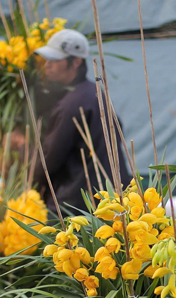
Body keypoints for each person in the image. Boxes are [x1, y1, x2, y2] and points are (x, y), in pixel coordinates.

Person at [29, 28, 131, 213]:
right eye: (47, 60)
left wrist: (22, 149)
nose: (47, 65)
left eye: (54, 60)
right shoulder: (95, 93)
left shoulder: (74, 103)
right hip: (109, 198)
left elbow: (50, 158)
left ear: (76, 62)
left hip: (77, 205)